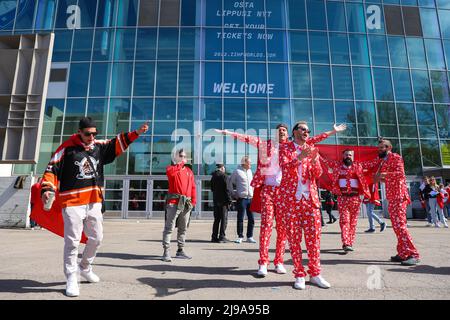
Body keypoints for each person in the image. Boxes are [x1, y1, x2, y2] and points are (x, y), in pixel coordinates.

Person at [41, 117, 148, 297]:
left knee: (97, 238)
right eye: (88, 134)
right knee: (72, 242)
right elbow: (51, 169)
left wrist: (136, 133)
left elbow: (116, 143)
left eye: (94, 134)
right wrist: (47, 189)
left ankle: (85, 266)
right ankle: (71, 278)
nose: (91, 137)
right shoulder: (66, 149)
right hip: (72, 202)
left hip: (94, 201)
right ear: (79, 133)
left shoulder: (98, 147)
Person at [278, 121, 347, 290]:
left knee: (314, 240)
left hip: (311, 200)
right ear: (294, 132)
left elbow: (317, 174)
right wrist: (300, 157)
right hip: (292, 200)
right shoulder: (284, 148)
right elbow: (285, 168)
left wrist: (315, 161)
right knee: (294, 239)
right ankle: (299, 275)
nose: (306, 132)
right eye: (302, 129)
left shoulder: (312, 149)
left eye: (308, 130)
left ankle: (315, 274)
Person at [216, 124, 290, 277]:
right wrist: (228, 132)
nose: (281, 132)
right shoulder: (265, 145)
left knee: (282, 229)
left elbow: (308, 144)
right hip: (268, 190)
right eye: (279, 130)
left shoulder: (290, 147)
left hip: (284, 192)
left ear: (288, 134)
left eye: (284, 130)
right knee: (266, 226)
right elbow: (247, 138)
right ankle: (263, 262)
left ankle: (279, 261)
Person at [369, 139, 420, 266]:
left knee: (401, 226)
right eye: (379, 147)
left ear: (389, 147)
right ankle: (403, 253)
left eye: (383, 147)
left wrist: (382, 174)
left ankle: (413, 254)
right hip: (392, 197)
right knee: (397, 227)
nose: (380, 149)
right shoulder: (384, 161)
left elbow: (400, 174)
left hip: (399, 197)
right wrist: (380, 178)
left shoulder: (396, 157)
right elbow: (390, 180)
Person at [320, 149, 372, 253]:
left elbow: (373, 164)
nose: (348, 156)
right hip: (343, 198)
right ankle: (346, 243)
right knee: (344, 221)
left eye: (350, 155)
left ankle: (350, 241)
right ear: (342, 156)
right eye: (346, 155)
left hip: (355, 198)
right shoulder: (337, 166)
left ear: (353, 157)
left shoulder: (358, 166)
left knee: (353, 222)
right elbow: (324, 161)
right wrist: (315, 152)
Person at [162, 149, 197, 262]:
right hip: (173, 203)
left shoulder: (189, 171)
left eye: (184, 156)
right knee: (169, 228)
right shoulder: (170, 169)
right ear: (175, 157)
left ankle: (180, 250)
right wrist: (180, 163)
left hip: (186, 203)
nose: (183, 158)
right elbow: (172, 174)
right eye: (181, 156)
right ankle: (166, 251)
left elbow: (193, 187)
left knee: (183, 228)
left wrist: (193, 202)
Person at [229, 156, 256, 244]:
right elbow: (230, 183)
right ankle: (240, 236)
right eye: (249, 162)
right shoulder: (237, 171)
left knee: (251, 219)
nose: (250, 164)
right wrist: (234, 194)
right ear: (244, 163)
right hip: (242, 199)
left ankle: (249, 236)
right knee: (240, 218)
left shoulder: (250, 172)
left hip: (250, 198)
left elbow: (252, 184)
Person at [210, 163, 232, 243]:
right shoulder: (224, 176)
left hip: (216, 200)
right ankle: (222, 236)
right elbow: (227, 189)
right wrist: (230, 200)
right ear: (222, 168)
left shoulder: (213, 176)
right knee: (224, 219)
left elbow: (212, 188)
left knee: (216, 219)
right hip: (223, 201)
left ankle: (214, 237)